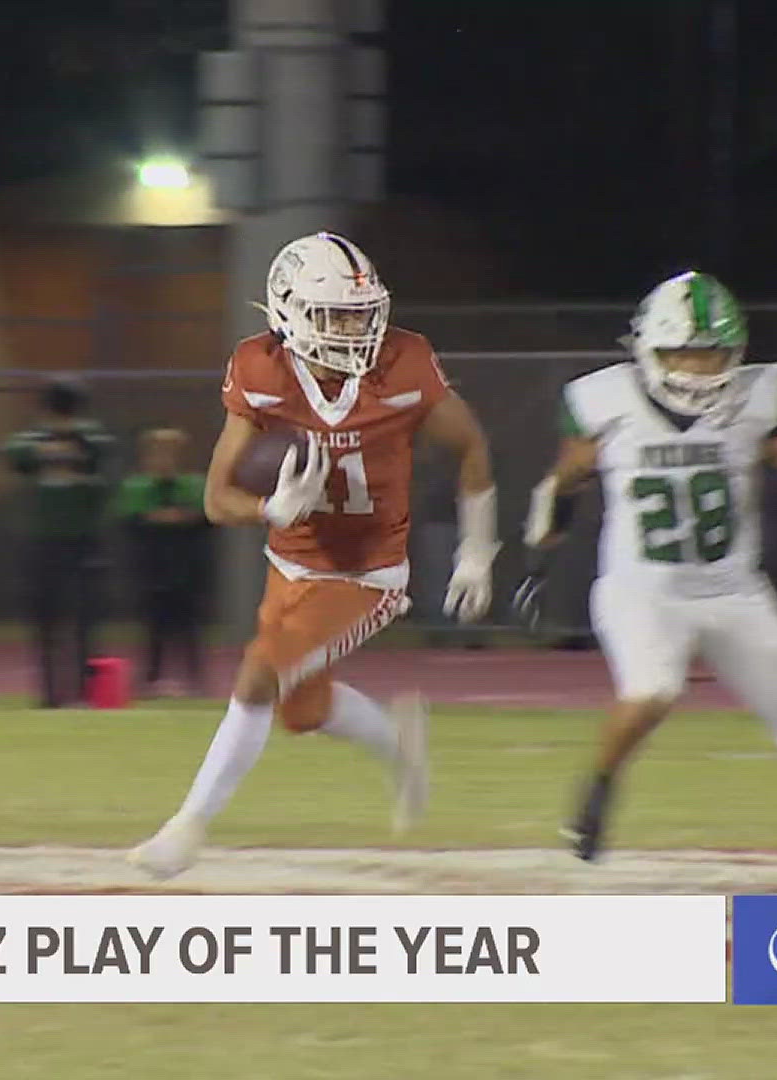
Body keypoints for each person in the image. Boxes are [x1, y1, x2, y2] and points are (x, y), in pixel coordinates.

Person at [129, 231, 499, 880]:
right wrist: (271, 512)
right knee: (300, 710)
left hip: (369, 571)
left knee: (257, 676)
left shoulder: (405, 363)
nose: (353, 329)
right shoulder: (260, 370)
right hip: (292, 564)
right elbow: (217, 499)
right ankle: (400, 745)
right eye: (333, 314)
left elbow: (470, 446)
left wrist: (477, 551)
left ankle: (186, 828)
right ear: (289, 311)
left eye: (361, 313)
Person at [523, 270, 777, 881]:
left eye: (711, 353)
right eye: (684, 352)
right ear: (649, 348)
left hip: (735, 591)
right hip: (642, 589)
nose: (699, 369)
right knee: (653, 690)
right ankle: (597, 794)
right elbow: (566, 479)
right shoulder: (606, 400)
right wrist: (540, 554)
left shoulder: (759, 397)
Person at [0, 377, 116, 708]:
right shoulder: (34, 440)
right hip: (42, 542)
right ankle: (50, 694)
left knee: (82, 620)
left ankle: (80, 692)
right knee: (45, 620)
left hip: (82, 541)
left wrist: (67, 441)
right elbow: (14, 451)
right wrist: (49, 444)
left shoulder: (90, 438)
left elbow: (99, 448)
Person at [112, 428, 212, 696]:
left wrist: (164, 518)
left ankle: (195, 679)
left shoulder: (194, 485)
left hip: (187, 565)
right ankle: (150, 678)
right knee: (152, 626)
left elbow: (205, 518)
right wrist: (171, 518)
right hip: (151, 566)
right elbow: (131, 521)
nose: (165, 459)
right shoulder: (138, 487)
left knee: (189, 627)